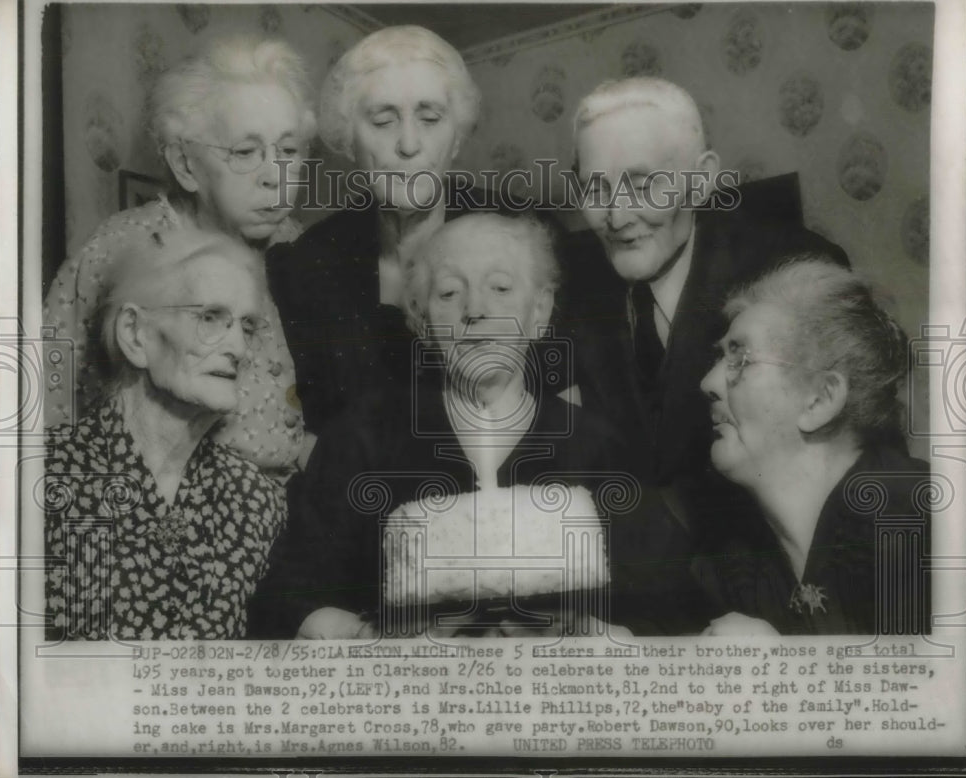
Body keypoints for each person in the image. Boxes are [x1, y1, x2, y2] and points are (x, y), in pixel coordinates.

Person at [249, 213, 630, 639]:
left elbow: (649, 603)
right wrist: (355, 634)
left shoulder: (595, 444)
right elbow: (288, 593)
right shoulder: (365, 435)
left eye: (500, 288)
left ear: (540, 309)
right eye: (449, 292)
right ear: (422, 320)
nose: (475, 310)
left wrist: (595, 631)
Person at [562, 77, 849, 501]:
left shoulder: (794, 269)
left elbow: (857, 464)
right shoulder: (569, 287)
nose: (617, 217)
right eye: (595, 188)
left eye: (642, 185)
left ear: (701, 180)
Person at [44, 36, 316, 473]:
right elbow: (47, 398)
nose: (276, 177)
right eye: (246, 152)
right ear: (185, 165)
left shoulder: (299, 246)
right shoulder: (121, 246)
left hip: (291, 510)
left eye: (288, 151)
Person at [44, 229, 286, 640]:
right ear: (135, 334)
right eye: (210, 318)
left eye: (246, 327)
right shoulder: (38, 479)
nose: (240, 349)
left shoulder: (255, 501)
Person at [265, 25, 489, 439]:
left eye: (430, 118)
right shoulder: (308, 264)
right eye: (383, 121)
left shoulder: (520, 238)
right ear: (350, 141)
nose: (408, 143)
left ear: (456, 139)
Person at [695, 258, 930, 635]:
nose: (709, 381)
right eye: (721, 357)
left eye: (740, 358)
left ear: (820, 399)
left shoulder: (934, 523)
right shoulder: (731, 564)